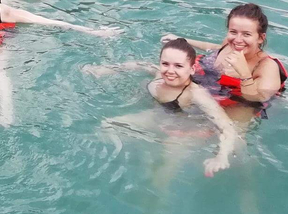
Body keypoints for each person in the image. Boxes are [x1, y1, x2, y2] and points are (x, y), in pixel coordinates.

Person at [86, 38, 237, 177]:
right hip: (155, 117)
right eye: (165, 64)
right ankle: (135, 155)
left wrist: (222, 156)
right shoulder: (159, 74)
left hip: (183, 131)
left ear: (191, 69)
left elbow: (227, 127)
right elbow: (139, 65)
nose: (170, 71)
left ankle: (158, 198)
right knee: (107, 126)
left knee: (162, 168)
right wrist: (105, 69)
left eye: (178, 66)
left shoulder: (196, 94)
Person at [162, 3, 288, 122]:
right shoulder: (229, 44)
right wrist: (183, 40)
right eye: (233, 32)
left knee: (225, 132)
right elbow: (213, 47)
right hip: (207, 86)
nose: (238, 40)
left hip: (240, 103)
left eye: (246, 34)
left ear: (260, 38)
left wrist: (244, 73)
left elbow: (259, 98)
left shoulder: (266, 66)